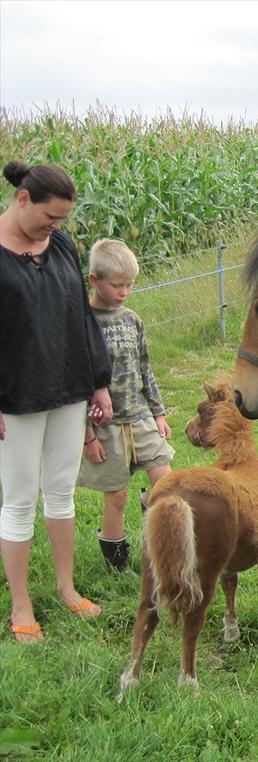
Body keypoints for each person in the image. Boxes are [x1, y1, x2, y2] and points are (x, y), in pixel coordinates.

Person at [0, 160, 113, 643]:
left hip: (68, 387)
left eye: (63, 220)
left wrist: (98, 381)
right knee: (20, 500)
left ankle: (67, 589)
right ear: (23, 199)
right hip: (15, 397)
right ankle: (21, 604)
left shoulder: (61, 245)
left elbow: (80, 319)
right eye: (50, 217)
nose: (56, 227)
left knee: (62, 492)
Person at [77, 238, 174, 572]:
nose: (124, 292)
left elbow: (145, 368)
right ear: (94, 281)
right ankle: (118, 566)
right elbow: (76, 384)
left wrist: (158, 413)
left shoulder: (132, 319)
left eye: (130, 285)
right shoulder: (83, 323)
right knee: (115, 495)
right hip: (106, 426)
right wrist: (87, 437)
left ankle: (155, 538)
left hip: (140, 418)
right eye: (117, 285)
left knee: (166, 482)